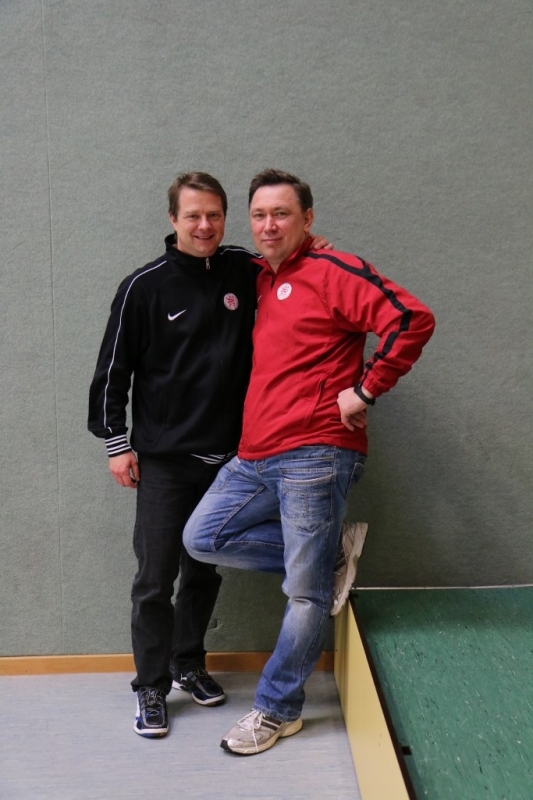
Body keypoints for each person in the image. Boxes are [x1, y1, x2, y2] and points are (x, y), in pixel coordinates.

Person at [183, 168, 436, 755]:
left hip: (315, 452)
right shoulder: (262, 278)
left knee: (304, 591)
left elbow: (411, 319)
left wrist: (366, 390)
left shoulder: (332, 269)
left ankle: (278, 710)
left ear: (308, 219)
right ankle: (328, 558)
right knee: (202, 537)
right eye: (260, 215)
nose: (269, 225)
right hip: (255, 454)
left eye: (282, 214)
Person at [88, 171, 330, 739]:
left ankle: (188, 663)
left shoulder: (244, 269)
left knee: (203, 569)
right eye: (193, 216)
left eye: (214, 216)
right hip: (165, 462)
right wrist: (117, 445)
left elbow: (292, 261)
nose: (204, 226)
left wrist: (314, 247)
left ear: (225, 219)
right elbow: (112, 373)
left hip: (232, 462)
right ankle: (151, 687)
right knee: (155, 577)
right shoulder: (143, 287)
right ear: (173, 220)